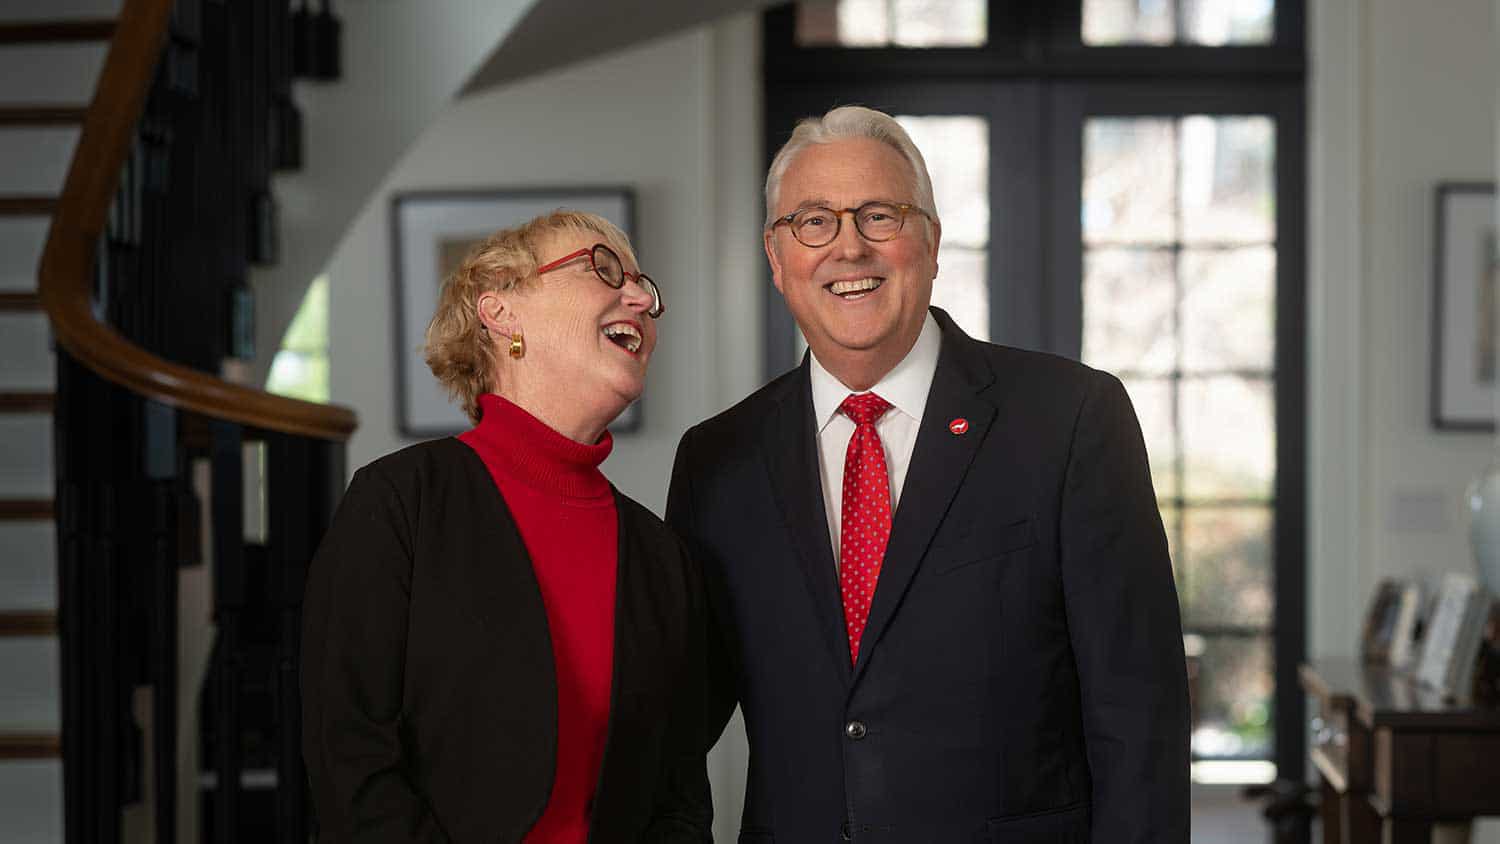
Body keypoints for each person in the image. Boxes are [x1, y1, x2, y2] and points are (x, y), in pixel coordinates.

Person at [666, 106, 1190, 842]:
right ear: (777, 258)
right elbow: (672, 724)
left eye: (879, 215)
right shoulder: (718, 461)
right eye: (813, 222)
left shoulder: (1070, 418)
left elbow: (1140, 713)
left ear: (932, 243)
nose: (848, 247)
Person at [302, 210, 711, 842]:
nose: (639, 299)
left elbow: (679, 799)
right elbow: (348, 758)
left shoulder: (659, 554)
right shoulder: (400, 502)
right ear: (501, 311)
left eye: (643, 287)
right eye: (604, 269)